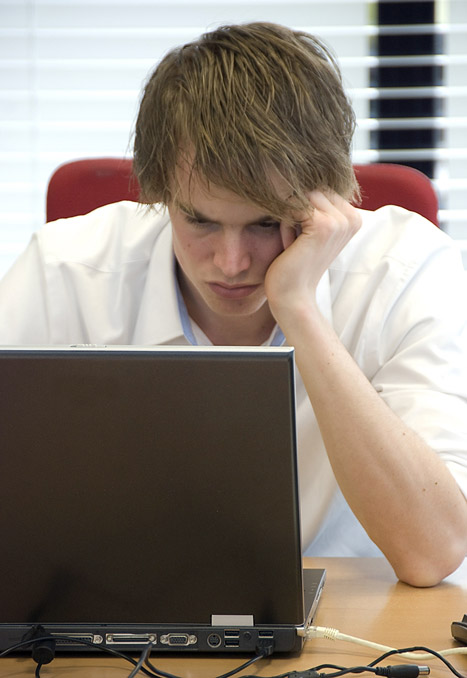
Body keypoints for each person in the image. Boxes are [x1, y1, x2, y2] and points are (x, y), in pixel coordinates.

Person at [1, 22, 466, 586]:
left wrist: (299, 309)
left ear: (329, 197)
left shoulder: (405, 271)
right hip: (106, 608)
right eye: (199, 220)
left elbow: (432, 551)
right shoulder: (64, 271)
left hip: (348, 620)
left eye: (266, 223)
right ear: (159, 193)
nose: (230, 262)